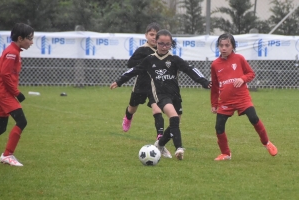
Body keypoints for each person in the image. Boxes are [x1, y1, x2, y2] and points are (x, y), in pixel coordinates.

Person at [110, 29, 211, 160]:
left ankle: (160, 144)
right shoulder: (150, 60)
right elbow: (134, 70)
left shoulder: (174, 60)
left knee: (175, 123)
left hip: (175, 95)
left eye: (167, 44)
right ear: (156, 43)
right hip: (161, 95)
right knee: (173, 117)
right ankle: (179, 148)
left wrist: (205, 82)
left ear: (171, 44)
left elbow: (190, 69)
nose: (164, 47)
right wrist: (119, 81)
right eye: (161, 43)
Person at [210, 33, 278, 161]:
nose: (224, 48)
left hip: (242, 98)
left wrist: (242, 78)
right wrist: (214, 104)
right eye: (221, 45)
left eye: (227, 45)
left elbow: (251, 74)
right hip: (225, 101)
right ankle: (226, 153)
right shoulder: (215, 64)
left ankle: (266, 143)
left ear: (233, 46)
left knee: (253, 118)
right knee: (219, 127)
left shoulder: (239, 59)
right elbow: (214, 87)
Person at [121, 23, 172, 158]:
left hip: (155, 86)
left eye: (156, 35)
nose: (154, 38)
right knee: (132, 107)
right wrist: (145, 64)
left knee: (157, 109)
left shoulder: (163, 51)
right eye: (151, 34)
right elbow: (130, 64)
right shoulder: (142, 50)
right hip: (141, 84)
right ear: (146, 35)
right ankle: (128, 117)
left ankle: (160, 138)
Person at [0, 23, 34, 166]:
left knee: (1, 127)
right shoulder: (12, 53)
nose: (31, 42)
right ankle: (7, 155)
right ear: (20, 38)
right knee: (22, 121)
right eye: (30, 39)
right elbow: (4, 74)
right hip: (4, 94)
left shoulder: (14, 51)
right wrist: (17, 93)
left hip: (4, 93)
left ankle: (7, 155)